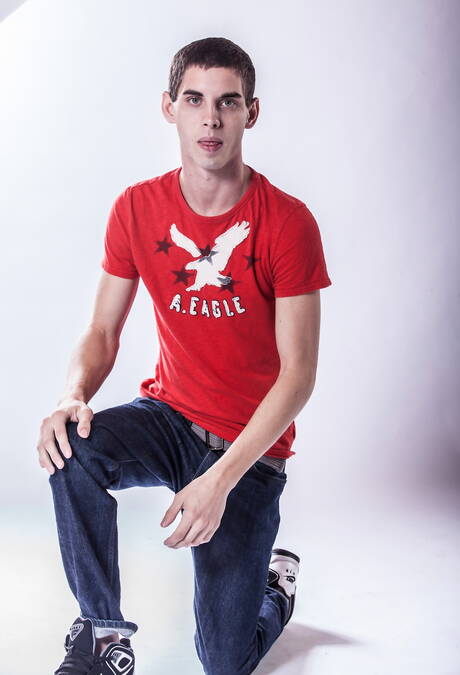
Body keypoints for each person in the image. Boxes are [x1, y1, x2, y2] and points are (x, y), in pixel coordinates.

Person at [38, 36, 332, 675]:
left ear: (251, 112)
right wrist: (72, 394)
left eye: (228, 102)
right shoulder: (136, 208)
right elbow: (102, 330)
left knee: (224, 662)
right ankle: (103, 635)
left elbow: (299, 374)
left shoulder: (288, 223)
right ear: (169, 108)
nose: (211, 119)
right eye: (195, 100)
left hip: (249, 452)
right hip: (168, 418)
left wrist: (219, 480)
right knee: (71, 447)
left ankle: (276, 589)